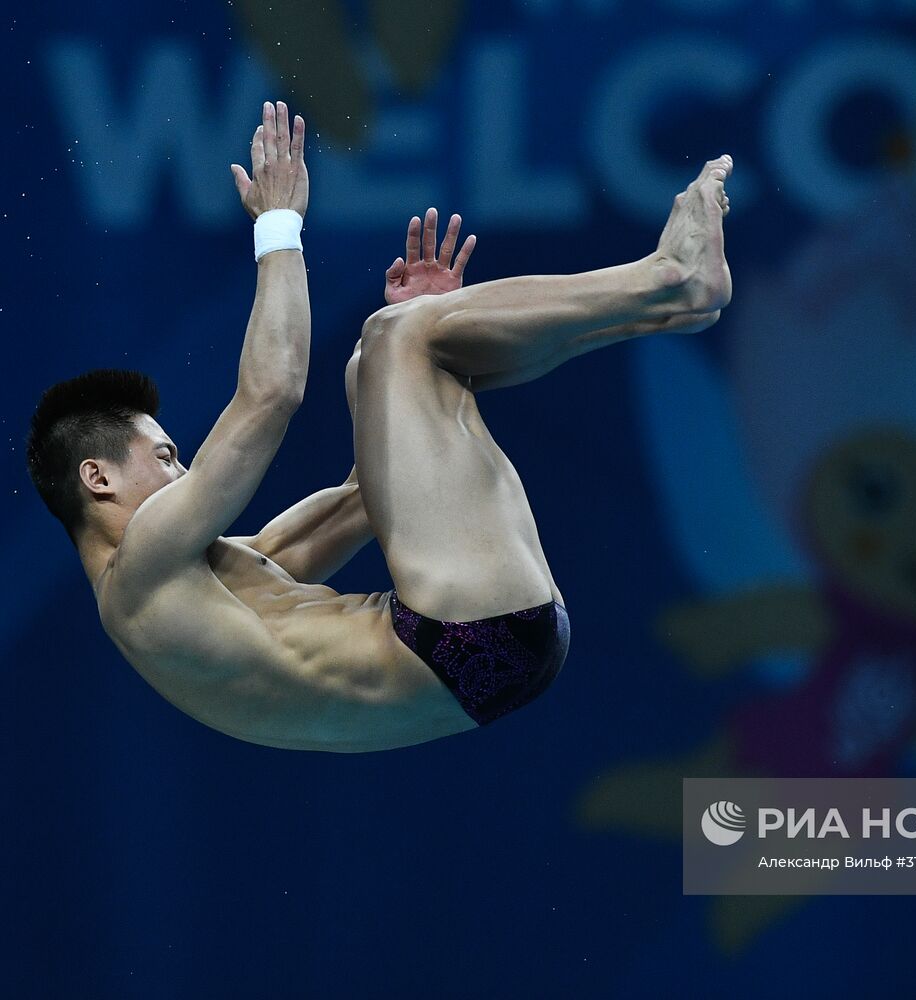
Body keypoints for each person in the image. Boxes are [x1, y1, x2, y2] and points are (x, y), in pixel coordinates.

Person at [25, 100, 733, 752]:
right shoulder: (141, 569)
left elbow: (370, 492)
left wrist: (417, 358)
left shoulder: (192, 593)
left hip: (487, 656)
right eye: (167, 455)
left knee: (384, 356)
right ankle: (667, 279)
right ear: (98, 477)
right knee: (399, 337)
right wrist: (279, 227)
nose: (183, 473)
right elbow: (271, 393)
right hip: (463, 637)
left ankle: (669, 306)